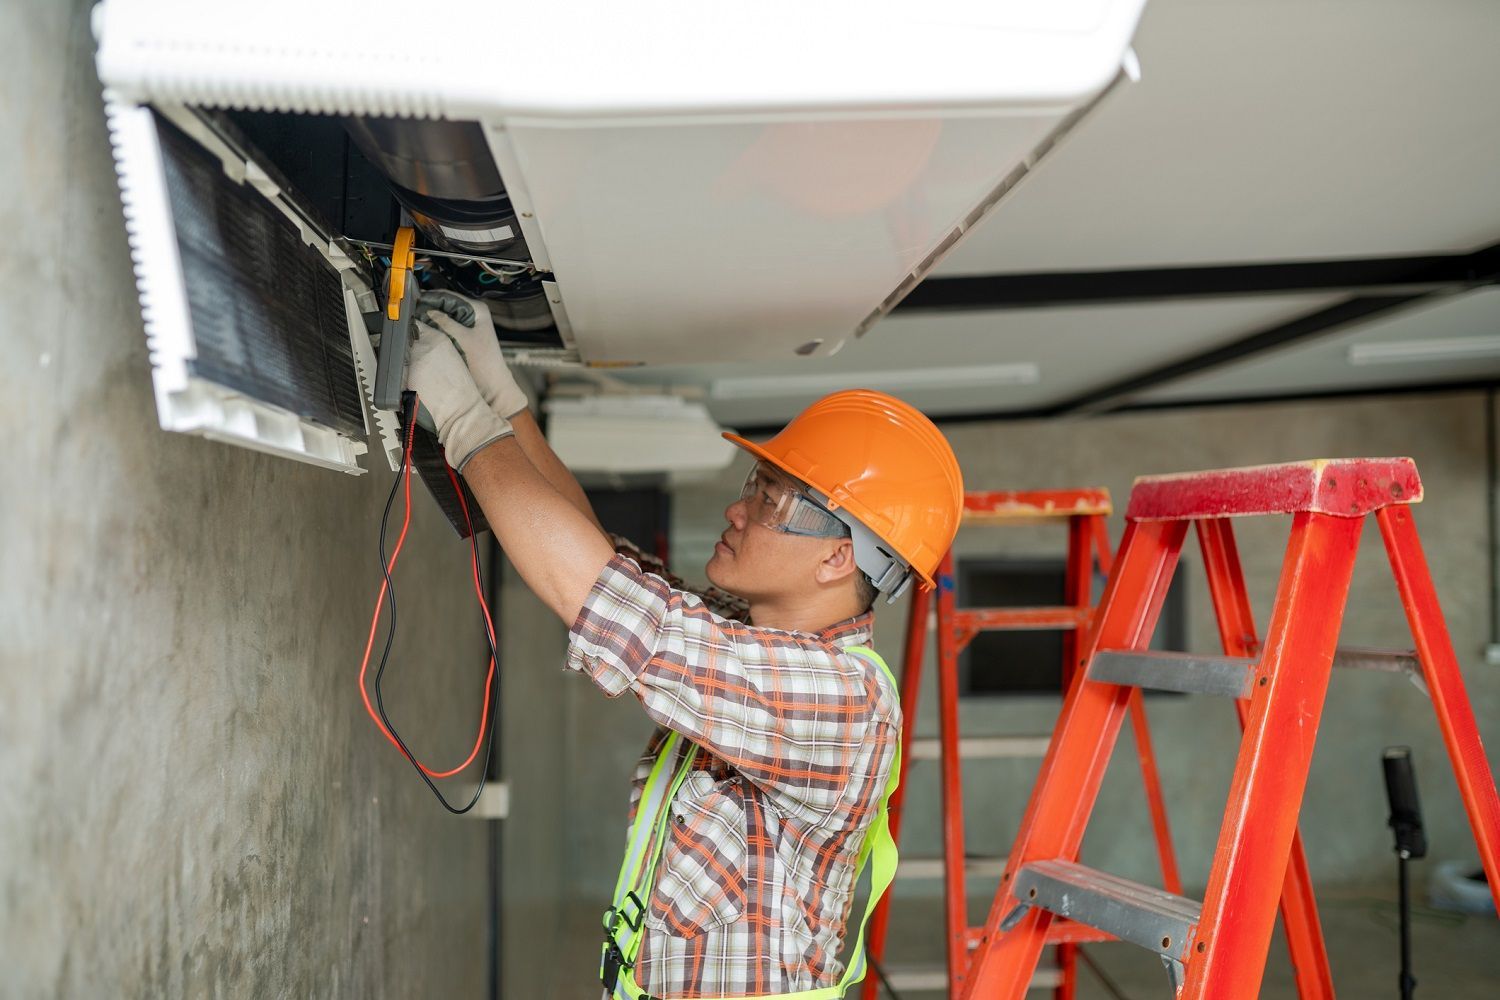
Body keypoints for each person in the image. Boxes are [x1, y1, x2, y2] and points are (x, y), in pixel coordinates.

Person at [407, 293, 963, 999]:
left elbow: (616, 606)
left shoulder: (841, 702)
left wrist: (463, 423)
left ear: (837, 559)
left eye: (770, 501)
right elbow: (606, 565)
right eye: (753, 486)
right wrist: (501, 399)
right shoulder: (763, 641)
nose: (737, 509)